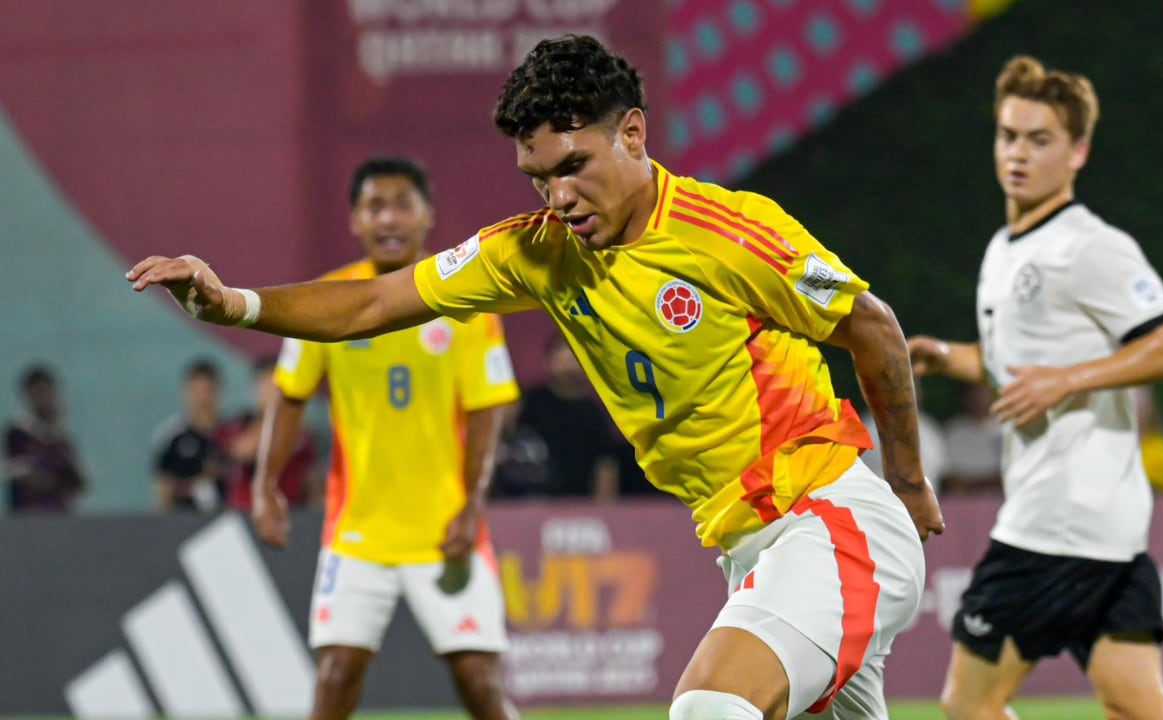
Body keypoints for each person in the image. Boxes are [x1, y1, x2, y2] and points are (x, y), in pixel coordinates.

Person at [128, 35, 944, 720]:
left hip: (829, 521)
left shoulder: (724, 232)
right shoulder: (536, 251)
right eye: (538, 176)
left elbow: (871, 328)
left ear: (633, 133)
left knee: (709, 707)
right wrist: (232, 302)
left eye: (575, 164)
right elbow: (375, 301)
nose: (559, 196)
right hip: (746, 546)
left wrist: (906, 482)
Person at [906, 56, 1163, 720]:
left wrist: (1069, 381)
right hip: (1104, 524)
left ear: (1078, 151)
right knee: (1135, 701)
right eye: (1009, 135)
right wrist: (950, 357)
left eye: (1039, 140)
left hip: (1058, 519)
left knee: (967, 702)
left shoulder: (1090, 246)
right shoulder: (1004, 248)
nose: (1018, 153)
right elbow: (1022, 361)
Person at [250, 156, 522, 720]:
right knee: (336, 675)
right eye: (375, 206)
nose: (389, 218)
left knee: (480, 682)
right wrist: (265, 485)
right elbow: (290, 394)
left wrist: (472, 507)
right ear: (355, 220)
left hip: (443, 529)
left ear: (428, 216)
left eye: (403, 204)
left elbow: (487, 413)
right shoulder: (325, 302)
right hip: (357, 534)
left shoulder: (465, 300)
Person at [492, 334, 634, 500]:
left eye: (575, 359)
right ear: (548, 362)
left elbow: (605, 465)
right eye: (563, 358)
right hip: (523, 504)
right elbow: (498, 441)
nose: (569, 365)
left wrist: (606, 512)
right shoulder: (527, 404)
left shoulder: (595, 415)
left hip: (577, 509)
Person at [214, 355, 319, 512]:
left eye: (276, 385)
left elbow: (310, 476)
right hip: (245, 513)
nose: (272, 392)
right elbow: (243, 452)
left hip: (291, 513)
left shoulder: (300, 432)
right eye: (266, 385)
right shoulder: (239, 425)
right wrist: (271, 413)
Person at [3, 364, 90, 513]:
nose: (43, 398)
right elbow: (15, 470)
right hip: (29, 515)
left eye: (46, 392)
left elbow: (80, 480)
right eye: (38, 393)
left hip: (60, 513)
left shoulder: (62, 439)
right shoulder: (18, 433)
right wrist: (48, 479)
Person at [151, 358, 225, 512]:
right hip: (185, 519)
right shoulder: (172, 437)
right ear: (185, 392)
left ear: (218, 391)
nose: (202, 399)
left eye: (208, 391)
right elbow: (163, 487)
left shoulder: (233, 434)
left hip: (230, 521)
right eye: (196, 391)